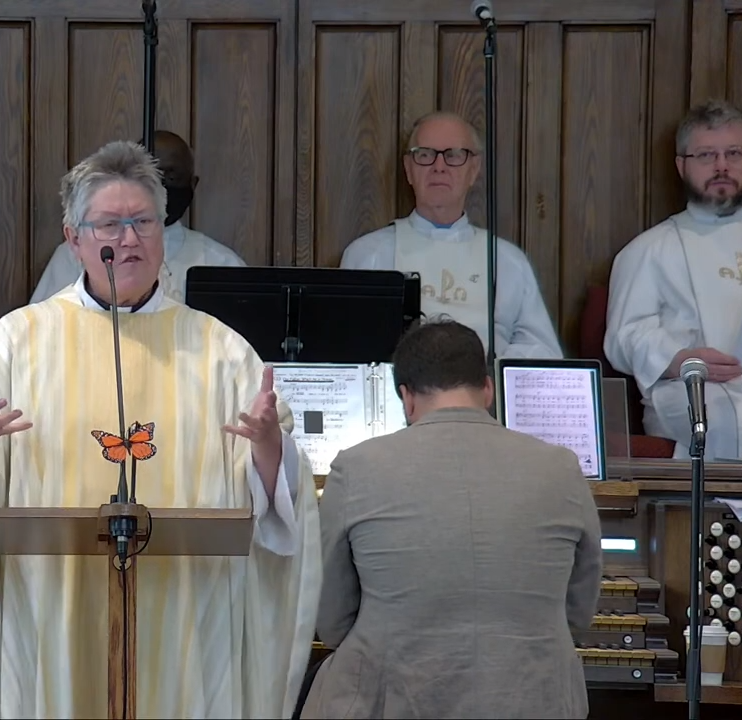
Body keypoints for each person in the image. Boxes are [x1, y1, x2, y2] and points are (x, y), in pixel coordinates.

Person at [0, 140, 322, 719]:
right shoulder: (16, 342)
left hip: (181, 612)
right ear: (74, 238)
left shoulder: (221, 352)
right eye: (109, 224)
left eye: (143, 222)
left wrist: (272, 454)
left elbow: (280, 504)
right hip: (51, 606)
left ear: (163, 232)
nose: (128, 239)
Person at [300, 319, 600, 719]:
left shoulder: (356, 468)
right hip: (533, 701)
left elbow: (332, 622)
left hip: (393, 703)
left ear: (406, 398)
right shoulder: (562, 467)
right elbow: (578, 617)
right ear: (488, 388)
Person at [340, 111, 561, 359]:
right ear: (408, 169)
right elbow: (346, 350)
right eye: (425, 155)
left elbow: (545, 358)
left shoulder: (507, 261)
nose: (439, 167)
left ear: (474, 169)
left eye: (453, 156)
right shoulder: (368, 254)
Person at [605, 99, 742, 459]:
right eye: (706, 156)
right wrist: (681, 359)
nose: (722, 166)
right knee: (720, 417)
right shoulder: (650, 249)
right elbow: (624, 336)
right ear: (681, 165)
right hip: (693, 388)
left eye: (734, 153)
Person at [30, 130, 246, 304]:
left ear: (192, 183)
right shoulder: (77, 253)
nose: (160, 185)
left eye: (170, 175)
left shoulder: (221, 263)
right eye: (151, 175)